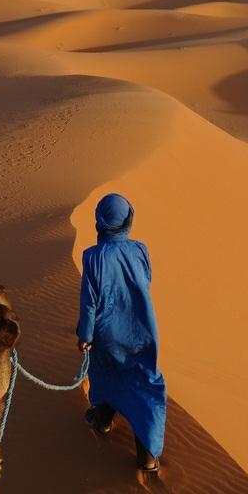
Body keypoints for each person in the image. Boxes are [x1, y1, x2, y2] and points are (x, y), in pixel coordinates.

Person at [76, 193, 167, 472]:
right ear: (129, 220)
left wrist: (85, 335)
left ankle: (102, 420)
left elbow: (89, 303)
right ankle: (148, 455)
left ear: (99, 222)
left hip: (106, 332)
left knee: (107, 376)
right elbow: (146, 281)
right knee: (143, 383)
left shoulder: (92, 257)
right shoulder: (140, 249)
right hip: (141, 328)